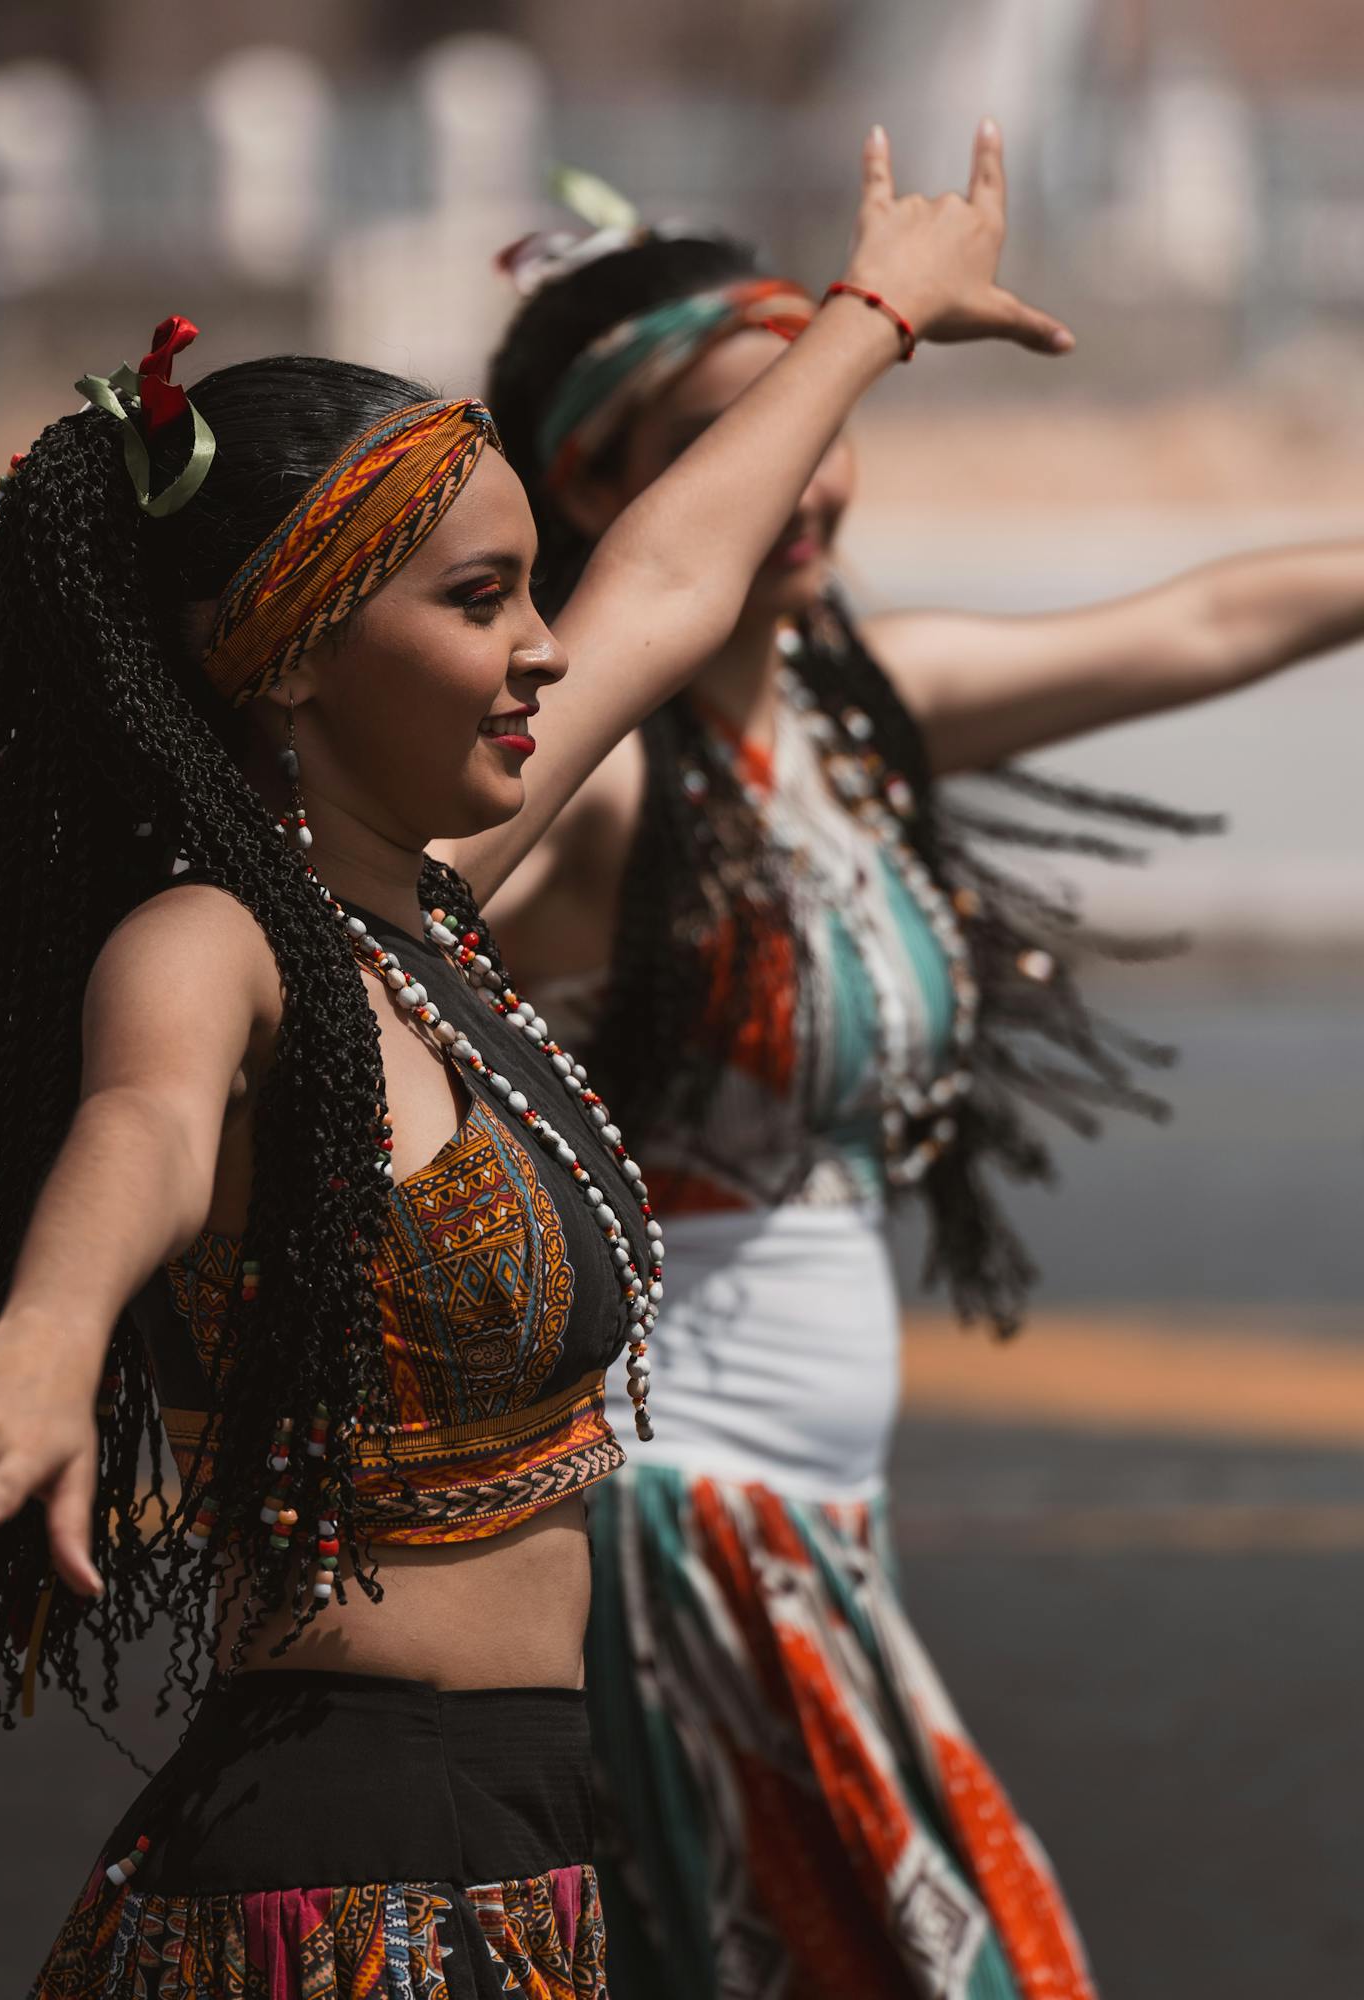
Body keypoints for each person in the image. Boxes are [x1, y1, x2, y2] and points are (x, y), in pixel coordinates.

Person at [0, 130, 1070, 1997]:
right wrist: (49, 1332)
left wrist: (875, 310)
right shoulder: (214, 946)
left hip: (527, 1841)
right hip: (348, 1884)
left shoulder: (414, 910)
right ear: (300, 648)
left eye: (528, 592)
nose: (546, 648)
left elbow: (667, 579)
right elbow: (146, 1124)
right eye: (479, 603)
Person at [483, 205, 1364, 2000]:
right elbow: (321, 929)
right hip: (677, 1520)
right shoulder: (586, 787)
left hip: (817, 1523)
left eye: (822, 427)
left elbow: (1206, 618)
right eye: (755, 440)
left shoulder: (847, 712)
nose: (805, 486)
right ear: (617, 488)